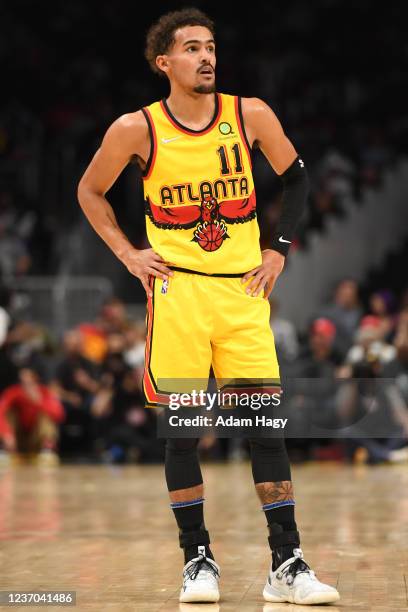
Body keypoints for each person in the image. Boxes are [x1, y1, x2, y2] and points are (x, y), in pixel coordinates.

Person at [77, 8, 339, 605]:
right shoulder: (136, 128)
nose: (206, 57)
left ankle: (287, 562)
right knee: (185, 432)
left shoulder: (249, 114)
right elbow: (89, 191)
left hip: (243, 291)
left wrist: (279, 250)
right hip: (179, 295)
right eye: (192, 48)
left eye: (211, 47)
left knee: (264, 429)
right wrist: (127, 254)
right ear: (163, 62)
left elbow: (296, 179)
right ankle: (197, 559)